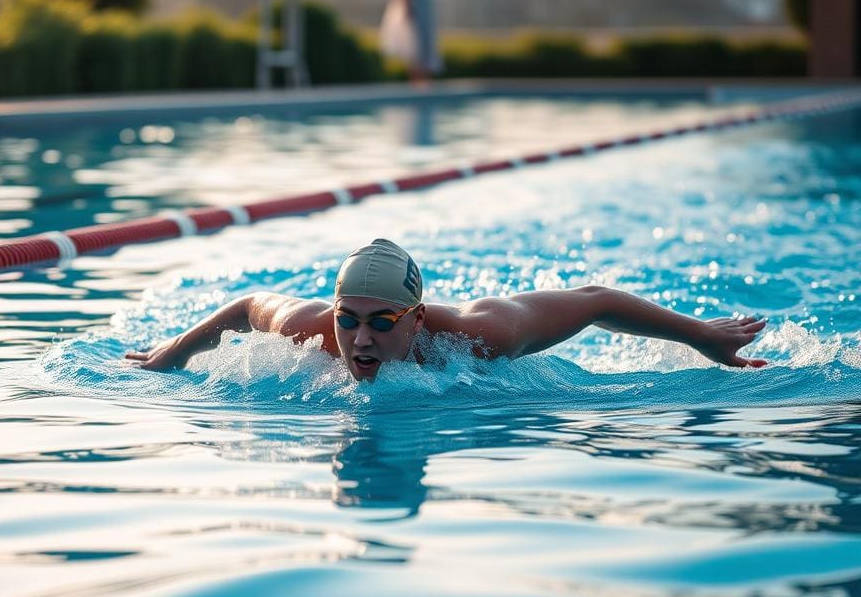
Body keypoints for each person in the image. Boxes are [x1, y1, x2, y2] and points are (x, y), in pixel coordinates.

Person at [125, 238, 768, 380]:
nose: (359, 339)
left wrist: (699, 338)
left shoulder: (477, 339)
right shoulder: (314, 333)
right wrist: (175, 353)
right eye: (350, 318)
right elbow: (243, 307)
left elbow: (595, 301)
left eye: (382, 322)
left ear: (416, 319)